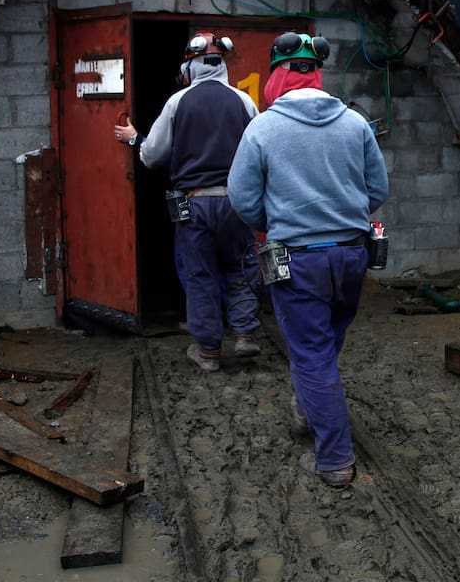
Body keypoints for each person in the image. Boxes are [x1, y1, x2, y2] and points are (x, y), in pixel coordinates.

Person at [227, 32, 389, 488]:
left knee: (313, 354)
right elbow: (377, 190)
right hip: (352, 255)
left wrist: (277, 219)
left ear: (278, 75)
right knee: (325, 342)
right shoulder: (355, 124)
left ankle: (335, 458)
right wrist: (345, 214)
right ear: (318, 76)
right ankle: (308, 405)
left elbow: (243, 199)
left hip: (298, 260)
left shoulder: (262, 128)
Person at [114, 32, 261, 372]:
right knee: (240, 267)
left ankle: (208, 352)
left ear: (190, 66)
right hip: (236, 202)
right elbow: (259, 152)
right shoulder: (243, 101)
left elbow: (152, 156)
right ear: (222, 64)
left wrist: (135, 138)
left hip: (194, 204)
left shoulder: (178, 102)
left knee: (200, 274)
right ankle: (244, 334)